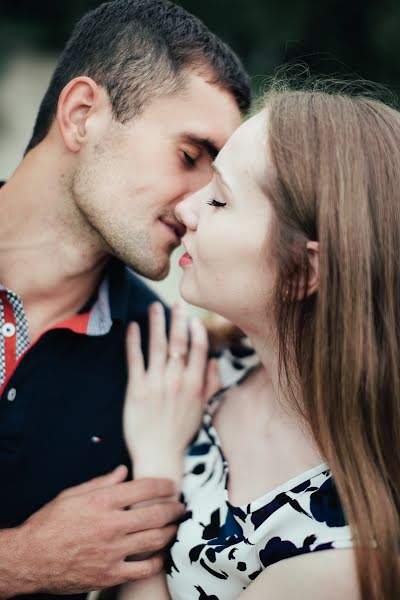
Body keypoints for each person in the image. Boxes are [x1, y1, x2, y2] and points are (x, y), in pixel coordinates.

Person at [0, 0, 251, 597]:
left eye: (216, 185)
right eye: (189, 158)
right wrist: (20, 560)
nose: (196, 209)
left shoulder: (167, 365)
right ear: (83, 114)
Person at [121, 87, 400, 600]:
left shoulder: (340, 556)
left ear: (302, 270)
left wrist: (156, 471)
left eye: (220, 200)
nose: (186, 208)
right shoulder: (207, 362)